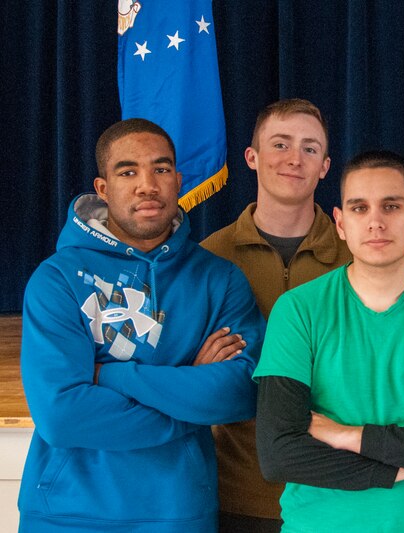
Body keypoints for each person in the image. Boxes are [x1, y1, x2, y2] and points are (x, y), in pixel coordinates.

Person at [18, 118, 265, 532]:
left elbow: (241, 392)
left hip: (179, 513)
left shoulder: (218, 279)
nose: (147, 184)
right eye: (128, 171)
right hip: (65, 512)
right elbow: (61, 416)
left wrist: (111, 376)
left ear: (178, 180)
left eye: (161, 169)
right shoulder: (57, 278)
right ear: (103, 188)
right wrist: (189, 389)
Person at [253, 150, 404, 532]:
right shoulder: (298, 310)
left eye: (391, 206)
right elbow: (279, 455)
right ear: (339, 222)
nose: (375, 222)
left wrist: (345, 435)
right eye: (359, 208)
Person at [202, 98, 350, 531]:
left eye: (309, 148)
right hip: (236, 493)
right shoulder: (211, 257)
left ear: (325, 165)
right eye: (280, 144)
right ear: (252, 157)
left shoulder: (357, 257)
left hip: (335, 492)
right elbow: (186, 373)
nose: (293, 159)